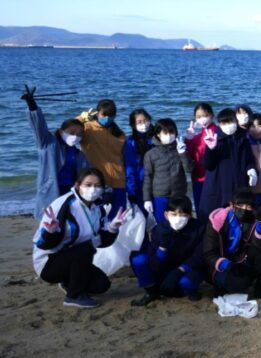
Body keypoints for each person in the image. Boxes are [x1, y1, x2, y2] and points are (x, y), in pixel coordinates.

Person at [32, 168, 129, 308]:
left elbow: (101, 242)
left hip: (75, 259)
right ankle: (73, 296)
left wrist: (113, 227)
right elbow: (42, 244)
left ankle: (68, 282)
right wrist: (51, 232)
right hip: (49, 263)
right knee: (85, 249)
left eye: (97, 186)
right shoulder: (64, 205)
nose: (93, 189)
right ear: (78, 186)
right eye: (88, 185)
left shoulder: (97, 208)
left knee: (101, 285)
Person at [21, 86, 90, 219]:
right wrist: (32, 106)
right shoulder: (48, 144)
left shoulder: (79, 154)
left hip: (71, 193)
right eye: (72, 132)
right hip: (51, 192)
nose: (76, 136)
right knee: (49, 226)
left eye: (80, 134)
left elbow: (87, 172)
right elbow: (39, 126)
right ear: (60, 131)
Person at [130, 196, 205, 306]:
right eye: (174, 214)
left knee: (187, 283)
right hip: (164, 267)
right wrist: (162, 248)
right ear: (166, 215)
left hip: (188, 268)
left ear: (189, 215)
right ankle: (151, 292)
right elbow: (153, 262)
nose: (178, 218)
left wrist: (179, 271)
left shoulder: (199, 228)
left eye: (183, 215)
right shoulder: (159, 229)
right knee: (138, 259)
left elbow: (200, 256)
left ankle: (188, 290)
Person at [203, 188, 261, 298]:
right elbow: (209, 253)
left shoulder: (252, 219)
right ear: (232, 205)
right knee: (238, 284)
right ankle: (222, 284)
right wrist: (227, 265)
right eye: (241, 206)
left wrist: (260, 222)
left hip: (240, 259)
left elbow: (260, 245)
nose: (244, 209)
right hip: (219, 263)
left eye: (248, 207)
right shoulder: (217, 222)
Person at [197, 108, 258, 219]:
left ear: (236, 121)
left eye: (231, 122)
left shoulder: (243, 139)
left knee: (239, 218)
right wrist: (211, 149)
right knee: (215, 219)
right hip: (218, 186)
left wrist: (252, 170)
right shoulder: (215, 139)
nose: (228, 125)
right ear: (219, 124)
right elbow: (208, 165)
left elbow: (249, 160)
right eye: (224, 123)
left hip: (238, 185)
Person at [77, 99, 127, 219]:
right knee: (96, 215)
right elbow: (67, 131)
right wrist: (81, 118)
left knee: (119, 215)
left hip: (118, 181)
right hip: (97, 183)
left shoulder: (119, 134)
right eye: (104, 114)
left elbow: (124, 157)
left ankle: (113, 235)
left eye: (111, 115)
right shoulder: (87, 129)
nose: (107, 118)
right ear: (97, 113)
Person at [142, 119, 191, 224]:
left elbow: (189, 169)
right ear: (158, 134)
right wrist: (147, 199)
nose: (169, 135)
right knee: (161, 224)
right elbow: (148, 177)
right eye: (165, 132)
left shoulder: (181, 149)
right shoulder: (151, 154)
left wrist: (183, 153)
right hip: (160, 195)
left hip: (179, 194)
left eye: (172, 132)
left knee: (179, 223)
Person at [183, 102, 217, 210]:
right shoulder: (196, 137)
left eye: (205, 115)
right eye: (198, 117)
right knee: (200, 209)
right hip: (198, 178)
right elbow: (189, 157)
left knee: (215, 210)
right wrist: (188, 140)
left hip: (214, 178)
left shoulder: (218, 133)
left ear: (212, 115)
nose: (202, 119)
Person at [123, 108, 153, 212]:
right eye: (139, 122)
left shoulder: (156, 138)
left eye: (145, 120)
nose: (143, 124)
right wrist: (132, 191)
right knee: (141, 219)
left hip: (158, 184)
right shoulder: (130, 142)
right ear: (133, 125)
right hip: (140, 185)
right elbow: (130, 168)